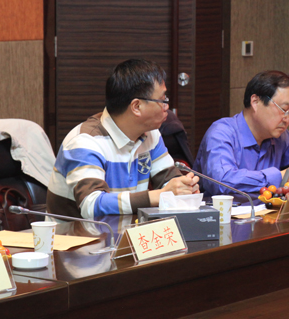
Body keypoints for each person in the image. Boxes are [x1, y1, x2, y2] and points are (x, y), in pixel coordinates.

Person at [47, 59, 199, 219]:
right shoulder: (85, 142)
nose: (167, 107)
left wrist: (183, 188)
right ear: (136, 107)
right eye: (162, 101)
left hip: (127, 231)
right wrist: (158, 196)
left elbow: (168, 181)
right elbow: (91, 205)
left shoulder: (150, 133)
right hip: (77, 234)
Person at [194, 70, 289, 195]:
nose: (287, 119)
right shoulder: (221, 133)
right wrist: (282, 177)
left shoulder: (282, 137)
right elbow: (222, 181)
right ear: (255, 102)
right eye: (284, 109)